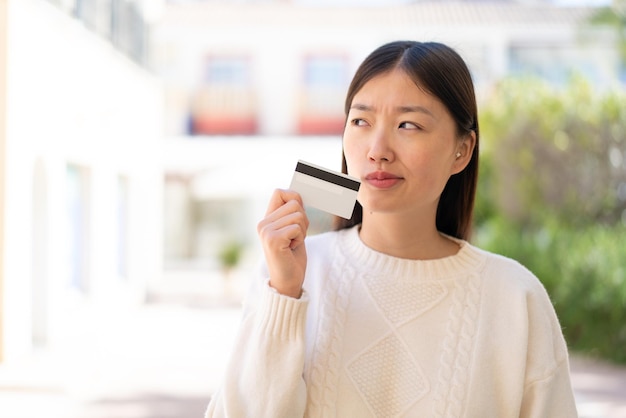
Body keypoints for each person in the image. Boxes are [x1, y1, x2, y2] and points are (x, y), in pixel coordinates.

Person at [205, 40, 578, 417]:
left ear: (462, 151)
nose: (377, 149)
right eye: (361, 121)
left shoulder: (515, 297)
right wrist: (284, 296)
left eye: (408, 125)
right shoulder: (290, 275)